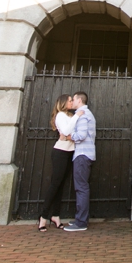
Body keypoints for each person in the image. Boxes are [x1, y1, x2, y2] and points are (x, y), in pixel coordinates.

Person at [37, 94, 82, 232]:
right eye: (69, 100)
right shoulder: (61, 116)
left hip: (70, 152)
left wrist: (69, 133)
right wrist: (77, 116)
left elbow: (71, 133)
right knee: (55, 184)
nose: (71, 102)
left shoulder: (68, 116)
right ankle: (43, 216)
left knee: (61, 185)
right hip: (60, 152)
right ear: (63, 102)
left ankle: (55, 215)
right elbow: (67, 131)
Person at [62, 91, 95, 231]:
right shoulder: (86, 114)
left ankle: (81, 222)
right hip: (85, 154)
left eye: (74, 99)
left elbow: (81, 135)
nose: (72, 102)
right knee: (82, 187)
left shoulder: (82, 115)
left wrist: (68, 137)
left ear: (80, 100)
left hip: (82, 154)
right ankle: (81, 218)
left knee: (81, 188)